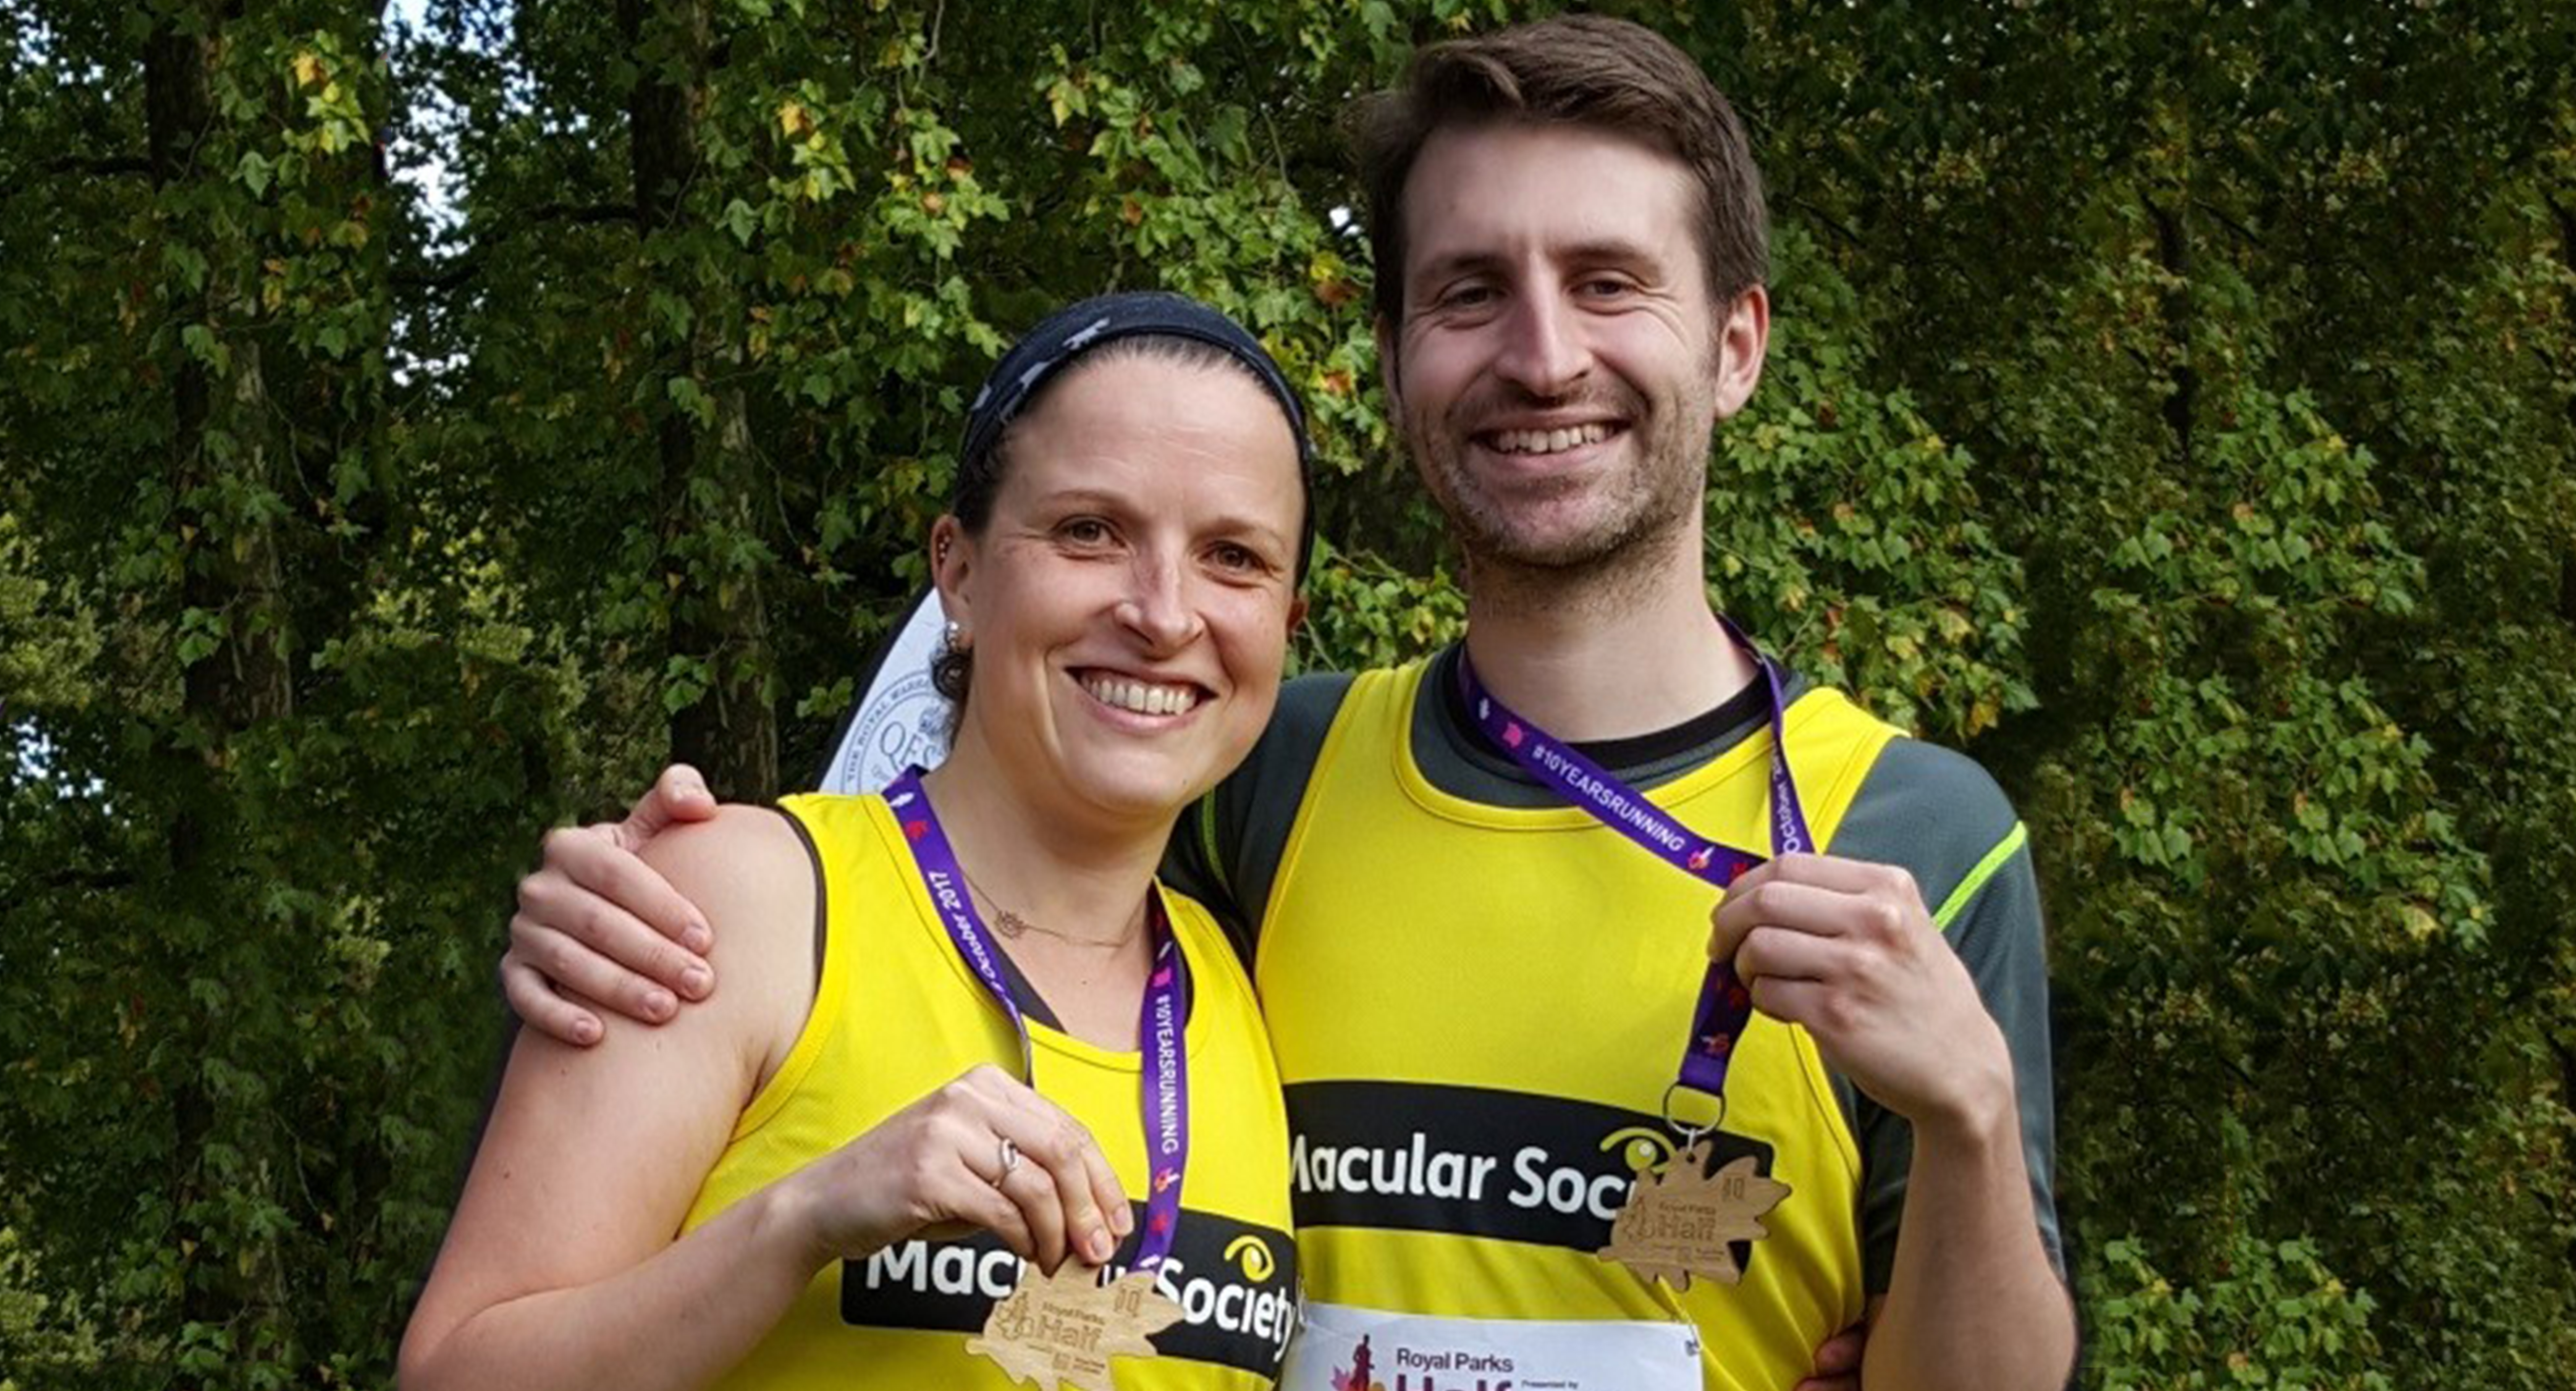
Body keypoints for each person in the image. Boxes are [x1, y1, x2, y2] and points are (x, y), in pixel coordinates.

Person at [499, 16, 2078, 1391]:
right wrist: (650, 909)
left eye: (1607, 283)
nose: (1541, 356)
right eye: (1469, 292)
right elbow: (963, 875)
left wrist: (1966, 1115)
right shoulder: (1269, 768)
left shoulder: (1917, 830)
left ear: (1734, 345)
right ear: (1394, 357)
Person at [401, 292, 1317, 1389]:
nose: (1165, 613)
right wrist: (805, 1218)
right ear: (960, 572)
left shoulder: (1255, 995)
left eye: (1233, 557)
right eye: (1089, 531)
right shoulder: (743, 900)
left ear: (1286, 623)